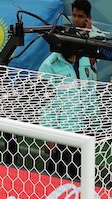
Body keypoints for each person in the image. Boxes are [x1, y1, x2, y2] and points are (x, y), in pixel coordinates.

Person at [38, 48, 97, 180]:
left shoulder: (86, 62)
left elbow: (91, 94)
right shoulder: (49, 65)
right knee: (60, 178)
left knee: (85, 178)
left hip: (85, 132)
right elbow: (46, 104)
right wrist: (49, 136)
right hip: (63, 133)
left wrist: (94, 123)